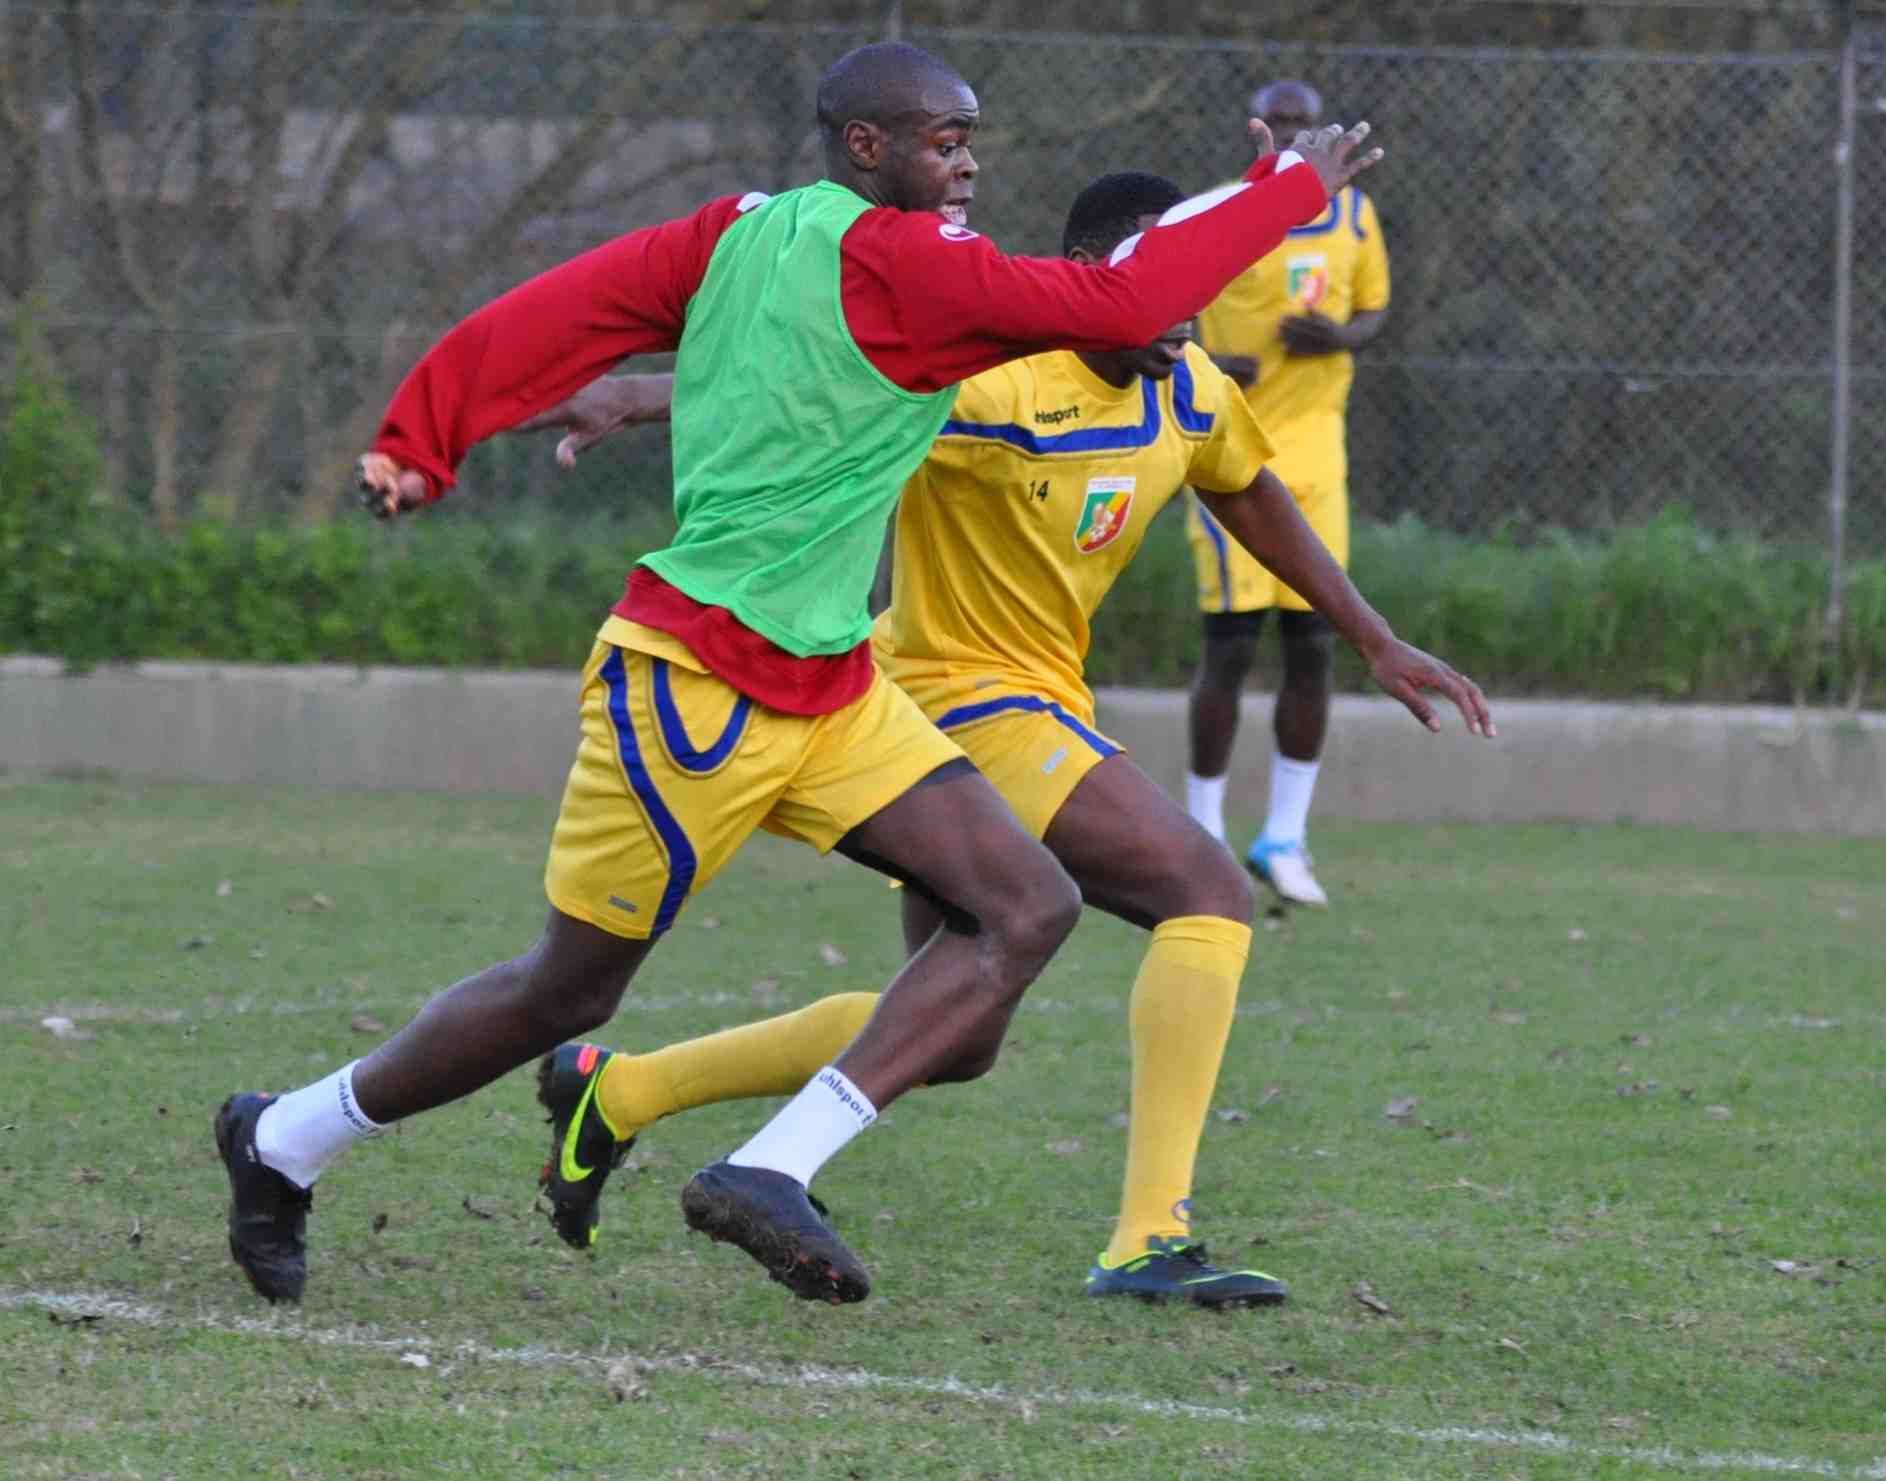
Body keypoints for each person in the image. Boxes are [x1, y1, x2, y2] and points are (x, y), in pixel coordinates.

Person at [214, 41, 1385, 1308]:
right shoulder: (906, 260)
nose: (969, 162)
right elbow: (1112, 302)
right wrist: (1288, 191)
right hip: (695, 680)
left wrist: (427, 436)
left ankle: (771, 1165)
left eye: (972, 136)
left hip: (833, 685)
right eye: (945, 140)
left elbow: (559, 310)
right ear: (865, 146)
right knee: (564, 987)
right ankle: (287, 1137)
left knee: (1025, 906)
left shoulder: (741, 235)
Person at [505, 171, 1492, 1308]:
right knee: (1206, 892)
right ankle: (1146, 1236)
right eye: (1160, 283)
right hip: (942, 694)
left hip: (1036, 699)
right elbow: (826, 390)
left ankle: (618, 1089)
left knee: (954, 1024)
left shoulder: (1190, 389)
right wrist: (637, 395)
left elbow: (1253, 494)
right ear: (1088, 285)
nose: (1186, 308)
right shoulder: (997, 377)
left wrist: (1376, 638)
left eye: (1199, 283)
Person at [1184, 79, 1392, 910]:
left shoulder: (1355, 217)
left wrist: (1342, 336)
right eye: (1287, 126)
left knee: (1313, 644)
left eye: (1312, 125)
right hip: (1232, 456)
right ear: (1262, 135)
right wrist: (1207, 363)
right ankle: (1199, 835)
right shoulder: (1222, 210)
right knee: (1229, 647)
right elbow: (1160, 301)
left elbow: (1374, 308)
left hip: (1317, 456)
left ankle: (1284, 836)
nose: (1301, 137)